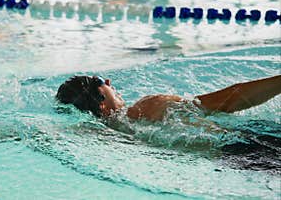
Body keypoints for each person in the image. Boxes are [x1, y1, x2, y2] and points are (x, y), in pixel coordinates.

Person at [56, 75, 281, 122]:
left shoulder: (100, 135)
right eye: (103, 84)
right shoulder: (150, 105)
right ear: (103, 105)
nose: (110, 83)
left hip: (227, 163)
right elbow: (231, 99)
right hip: (250, 147)